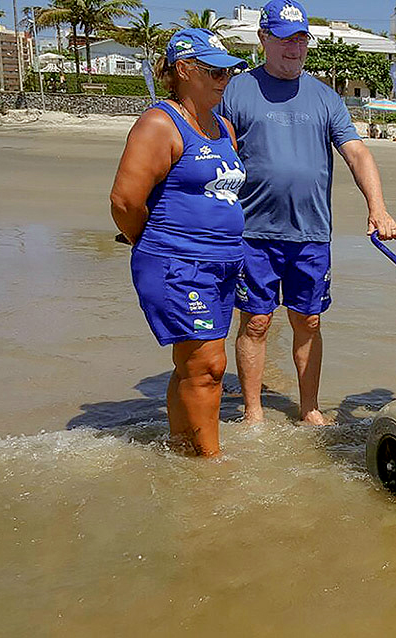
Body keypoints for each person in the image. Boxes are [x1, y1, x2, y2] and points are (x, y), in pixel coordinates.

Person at [217, 0, 396, 426]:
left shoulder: (325, 96)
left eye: (300, 38)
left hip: (311, 232)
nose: (294, 48)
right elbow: (210, 152)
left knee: (310, 320)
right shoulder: (235, 91)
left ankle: (310, 408)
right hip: (251, 232)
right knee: (257, 322)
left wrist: (378, 207)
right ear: (264, 38)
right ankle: (253, 411)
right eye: (284, 38)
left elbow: (356, 152)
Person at [109, 29, 248, 456]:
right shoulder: (158, 123)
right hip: (178, 262)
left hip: (222, 264)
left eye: (230, 71)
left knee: (193, 366)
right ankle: (210, 465)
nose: (224, 78)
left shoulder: (221, 124)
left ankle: (182, 449)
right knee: (210, 367)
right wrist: (149, 240)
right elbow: (125, 200)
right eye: (214, 70)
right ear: (184, 70)